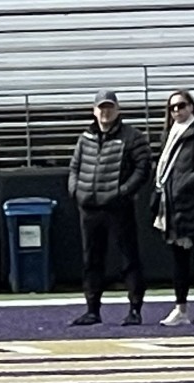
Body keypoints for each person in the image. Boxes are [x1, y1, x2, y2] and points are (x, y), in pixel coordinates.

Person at [66, 89, 151, 326]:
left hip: (117, 208)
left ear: (118, 109)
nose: (105, 112)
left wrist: (122, 193)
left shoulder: (132, 137)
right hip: (90, 209)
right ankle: (92, 310)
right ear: (94, 111)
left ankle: (135, 309)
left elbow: (143, 168)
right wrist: (76, 192)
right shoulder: (85, 138)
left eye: (109, 107)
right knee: (91, 260)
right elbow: (74, 167)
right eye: (101, 107)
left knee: (129, 258)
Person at [152, 89, 194, 326]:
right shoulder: (169, 134)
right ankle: (180, 307)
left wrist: (184, 184)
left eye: (181, 105)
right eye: (172, 107)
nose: (177, 110)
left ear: (191, 106)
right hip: (173, 205)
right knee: (178, 258)